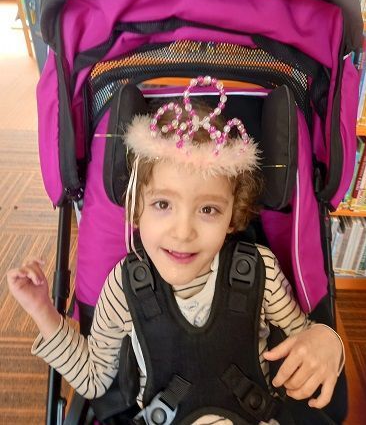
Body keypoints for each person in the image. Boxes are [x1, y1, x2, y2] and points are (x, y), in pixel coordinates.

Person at [7, 76, 344, 424]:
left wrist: (327, 341)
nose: (183, 233)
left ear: (233, 216)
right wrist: (43, 311)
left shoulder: (261, 272)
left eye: (208, 210)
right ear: (136, 208)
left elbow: (303, 340)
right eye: (163, 204)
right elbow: (94, 378)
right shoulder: (124, 288)